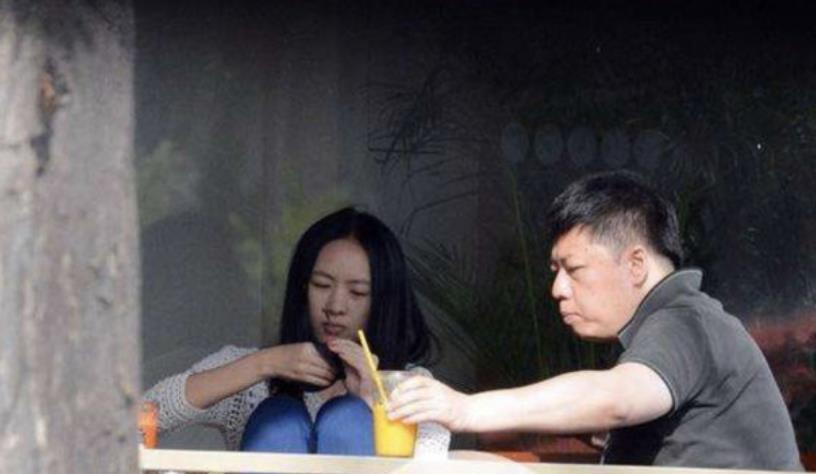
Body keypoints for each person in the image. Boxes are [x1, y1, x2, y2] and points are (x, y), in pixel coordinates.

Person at [387, 171, 802, 470]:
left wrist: (463, 409)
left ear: (636, 264)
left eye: (574, 269)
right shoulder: (680, 322)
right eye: (555, 271)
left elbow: (616, 398)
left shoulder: (684, 322)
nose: (557, 289)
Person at [144, 207, 450, 457]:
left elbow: (431, 464)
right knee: (279, 419)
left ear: (383, 301)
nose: (335, 306)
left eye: (357, 292)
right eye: (322, 285)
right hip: (271, 404)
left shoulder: (409, 384)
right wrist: (263, 364)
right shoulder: (256, 381)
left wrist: (372, 398)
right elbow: (138, 421)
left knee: (346, 418)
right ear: (302, 289)